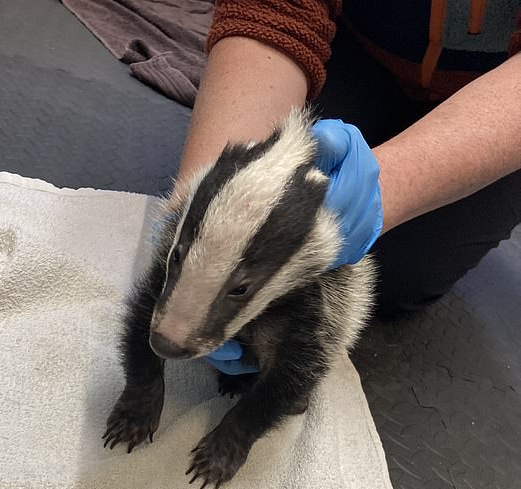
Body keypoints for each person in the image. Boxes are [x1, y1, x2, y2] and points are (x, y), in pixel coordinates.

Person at [171, 1, 521, 375]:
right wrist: (212, 190)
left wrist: (388, 188)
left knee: (398, 276)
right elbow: (274, 11)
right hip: (356, 49)